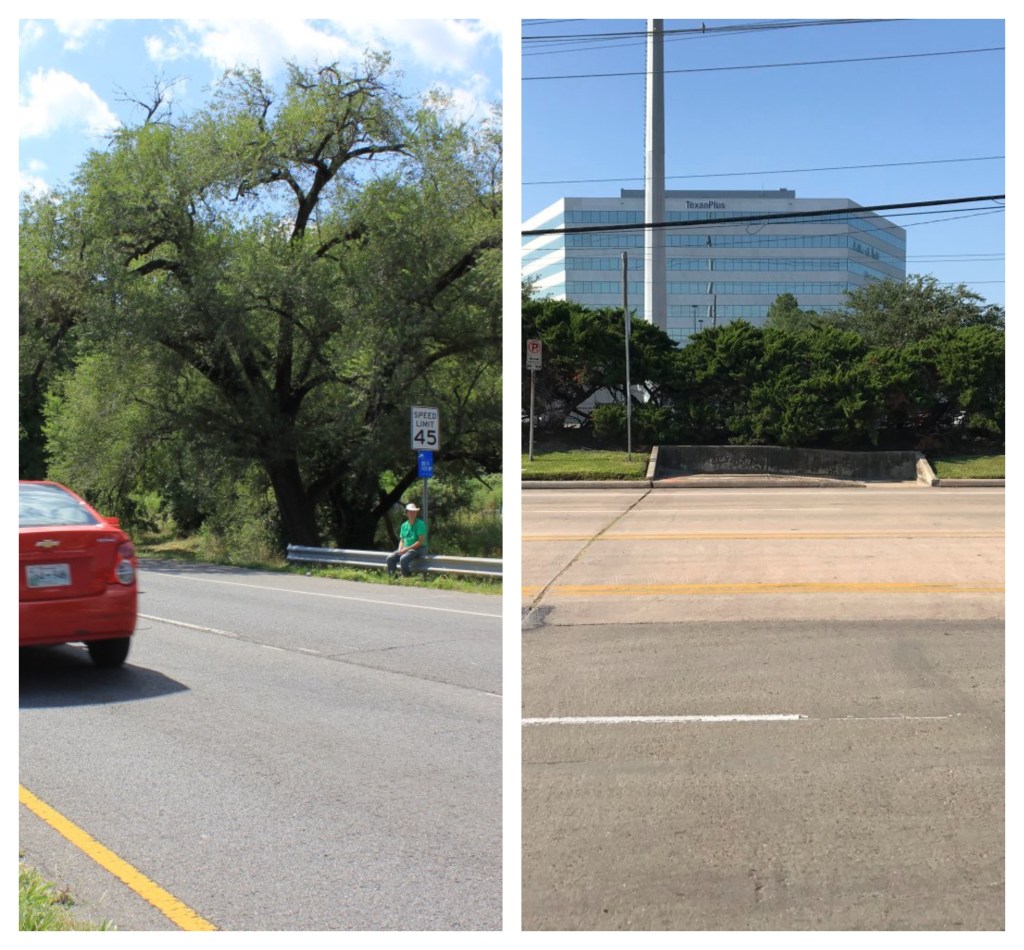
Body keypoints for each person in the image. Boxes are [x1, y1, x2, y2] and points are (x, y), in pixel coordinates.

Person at [387, 502, 427, 578]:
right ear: (406, 513)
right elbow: (402, 540)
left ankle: (407, 578)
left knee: (403, 558)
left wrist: (405, 550)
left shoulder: (420, 524)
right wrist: (400, 550)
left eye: (414, 511)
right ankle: (393, 578)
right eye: (410, 511)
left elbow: (420, 542)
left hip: (418, 548)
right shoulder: (404, 525)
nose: (412, 513)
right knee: (390, 558)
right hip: (406, 548)